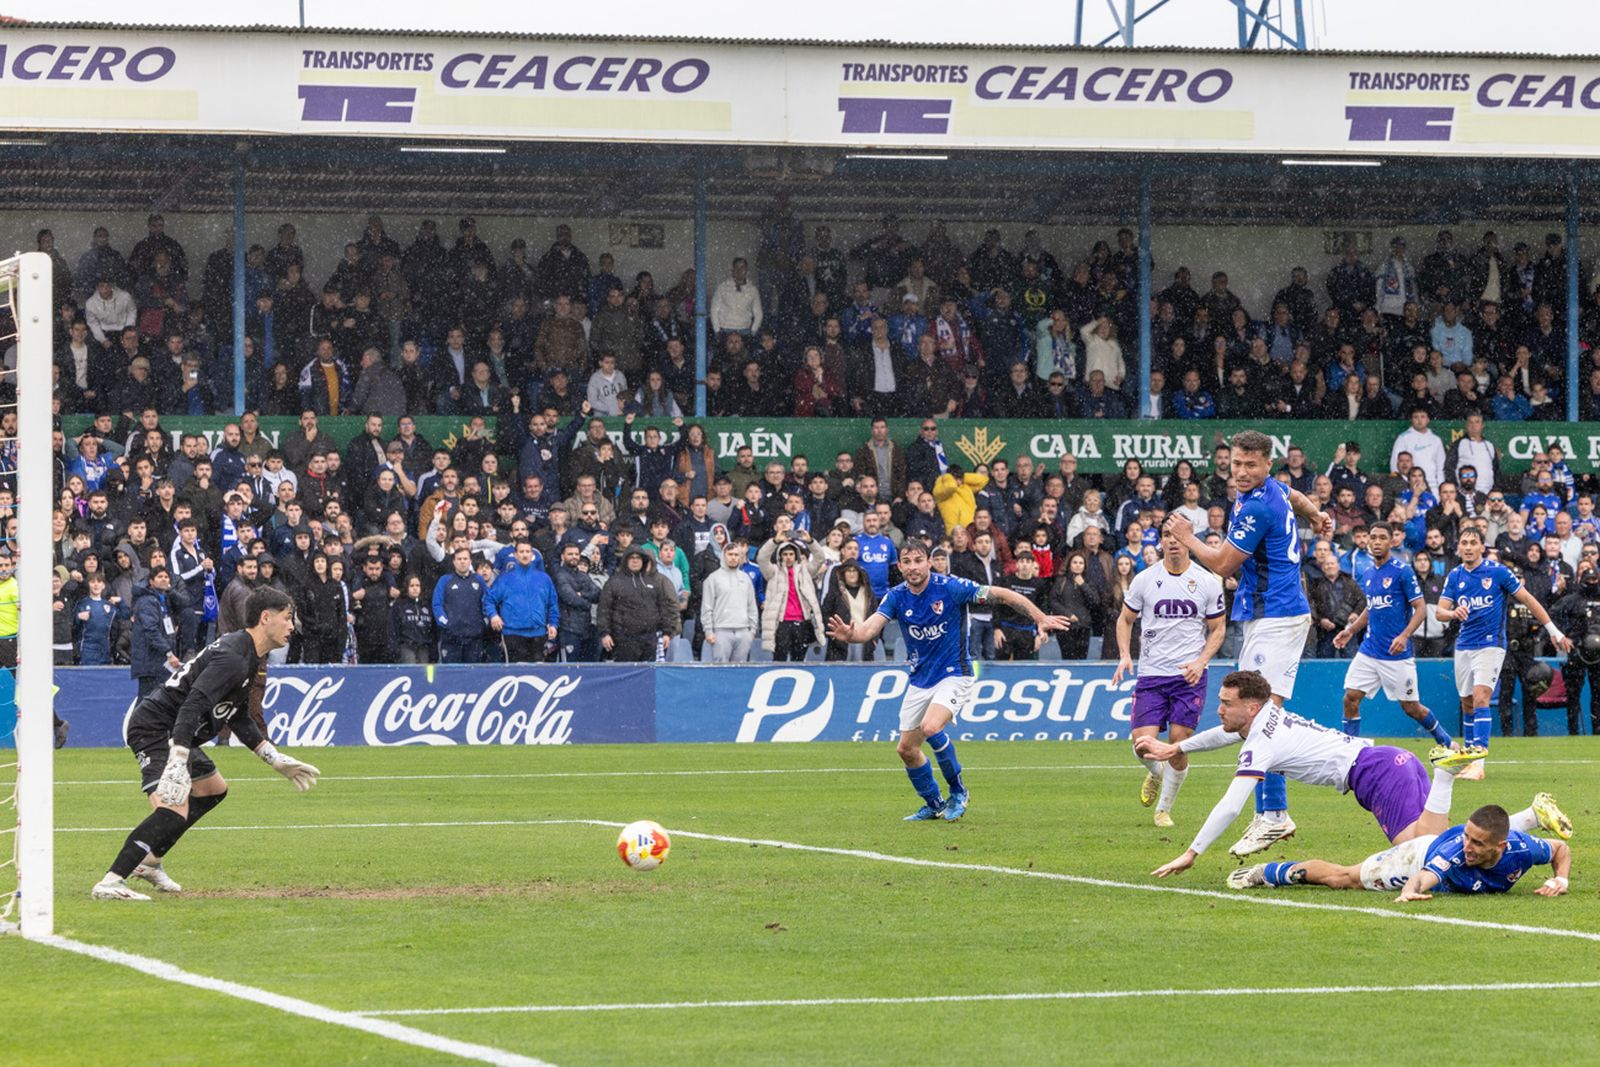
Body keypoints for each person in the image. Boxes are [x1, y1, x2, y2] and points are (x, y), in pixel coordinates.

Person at [1141, 670, 1485, 879]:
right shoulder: (1267, 714)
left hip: (1377, 774)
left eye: (1226, 703)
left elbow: (1231, 806)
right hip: (1389, 762)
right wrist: (1176, 749)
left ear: (1251, 707)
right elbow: (1226, 733)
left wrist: (1192, 853)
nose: (1219, 709)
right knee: (1432, 845)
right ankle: (1497, 827)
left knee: (1418, 852)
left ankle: (1459, 785)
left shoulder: (1261, 741)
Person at [91, 588, 319, 900]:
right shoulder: (234, 656)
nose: (292, 625)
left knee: (213, 789)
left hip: (176, 730)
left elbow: (236, 714)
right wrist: (177, 760)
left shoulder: (249, 654)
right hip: (155, 729)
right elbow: (191, 705)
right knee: (173, 808)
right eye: (287, 618)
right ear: (265, 618)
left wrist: (273, 758)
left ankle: (150, 861)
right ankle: (111, 880)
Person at [1168, 430, 1331, 858]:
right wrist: (1315, 515)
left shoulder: (1257, 504)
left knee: (1257, 715)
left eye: (1250, 465)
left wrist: (1187, 536)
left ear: (1266, 466)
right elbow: (1295, 495)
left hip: (1276, 617)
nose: (1241, 472)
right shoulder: (1271, 490)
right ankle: (1272, 812)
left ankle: (1274, 814)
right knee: (1262, 714)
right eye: (1236, 463)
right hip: (1271, 613)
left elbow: (1222, 563)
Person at [825, 539, 1070, 822]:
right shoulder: (895, 596)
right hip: (921, 679)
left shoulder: (951, 587)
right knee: (906, 749)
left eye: (919, 560)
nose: (914, 567)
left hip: (955, 673)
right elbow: (869, 628)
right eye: (907, 562)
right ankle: (934, 803)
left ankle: (958, 792)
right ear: (900, 566)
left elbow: (1002, 594)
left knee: (931, 726)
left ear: (929, 562)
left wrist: (1039, 616)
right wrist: (852, 635)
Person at [1111, 520, 1225, 828]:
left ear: (1189, 540)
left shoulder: (1207, 581)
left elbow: (1218, 629)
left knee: (1177, 743)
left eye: (1178, 535)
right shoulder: (1145, 579)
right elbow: (1125, 620)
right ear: (1160, 541)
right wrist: (1124, 654)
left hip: (1189, 676)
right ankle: (1155, 773)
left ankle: (1163, 810)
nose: (1173, 541)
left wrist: (1201, 662)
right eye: (1166, 535)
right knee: (1143, 746)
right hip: (1151, 675)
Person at [1229, 801, 1571, 900]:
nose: (1468, 846)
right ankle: (1268, 872)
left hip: (1460, 863)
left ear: (1501, 845)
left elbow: (1560, 850)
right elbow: (1423, 877)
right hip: (1418, 857)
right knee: (1342, 879)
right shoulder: (1454, 851)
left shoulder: (1522, 849)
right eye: (1467, 836)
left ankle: (1527, 816)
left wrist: (1562, 881)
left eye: (1478, 842)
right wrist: (1409, 893)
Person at [1437, 528, 1570, 779]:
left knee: (1480, 698)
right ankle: (1467, 756)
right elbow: (1440, 612)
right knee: (1466, 702)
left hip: (1491, 644)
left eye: (1472, 543)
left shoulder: (1497, 572)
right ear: (1458, 548)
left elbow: (1528, 599)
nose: (1467, 547)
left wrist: (1553, 630)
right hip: (1464, 645)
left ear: (1481, 547)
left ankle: (1479, 764)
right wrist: (1453, 613)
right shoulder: (1454, 576)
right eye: (1463, 543)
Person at [1329, 522, 1456, 748]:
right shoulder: (1368, 574)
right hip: (1369, 650)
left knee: (1411, 708)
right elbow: (1371, 609)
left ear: (1390, 542)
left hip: (1396, 654)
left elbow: (1420, 608)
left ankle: (1447, 742)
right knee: (1350, 698)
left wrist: (1405, 635)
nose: (1376, 542)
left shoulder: (1402, 571)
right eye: (1373, 537)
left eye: (1382, 538)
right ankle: (1350, 751)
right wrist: (1350, 631)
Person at [485, 540, 559, 663]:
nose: (525, 555)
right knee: (515, 675)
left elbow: (552, 604)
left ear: (532, 555)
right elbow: (489, 599)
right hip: (512, 634)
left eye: (527, 552)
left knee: (537, 677)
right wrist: (493, 616)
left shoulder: (544, 579)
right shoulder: (505, 579)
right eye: (521, 551)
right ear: (515, 555)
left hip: (538, 634)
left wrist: (553, 624)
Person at [699, 540, 759, 663]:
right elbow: (707, 607)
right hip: (721, 631)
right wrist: (708, 630)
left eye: (736, 555)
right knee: (720, 670)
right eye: (730, 554)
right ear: (723, 555)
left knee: (740, 670)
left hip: (743, 631)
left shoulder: (745, 578)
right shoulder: (713, 578)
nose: (733, 558)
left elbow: (752, 606)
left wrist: (752, 630)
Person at [432, 547, 489, 663]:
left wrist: (484, 621)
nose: (462, 561)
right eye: (459, 559)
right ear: (454, 562)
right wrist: (446, 623)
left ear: (470, 561)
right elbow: (437, 604)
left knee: (473, 675)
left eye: (465, 558)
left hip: (474, 638)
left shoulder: (479, 580)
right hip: (451, 638)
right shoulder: (445, 580)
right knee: (452, 676)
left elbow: (487, 601)